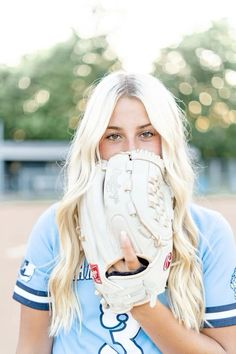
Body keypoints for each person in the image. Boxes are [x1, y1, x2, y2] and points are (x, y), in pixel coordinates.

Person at [13, 71, 236, 353]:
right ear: (95, 144)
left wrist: (137, 297)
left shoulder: (207, 230)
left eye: (146, 134)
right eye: (114, 136)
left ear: (167, 140)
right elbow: (31, 347)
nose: (131, 150)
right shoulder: (58, 225)